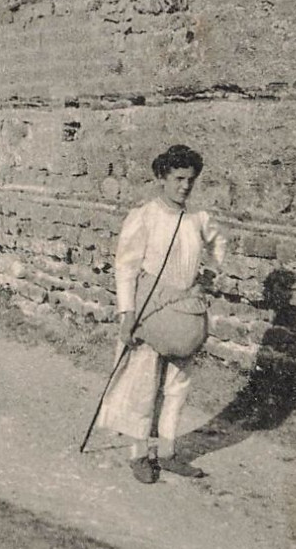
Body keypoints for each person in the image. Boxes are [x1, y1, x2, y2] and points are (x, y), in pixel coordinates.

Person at [97, 144, 227, 484]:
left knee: (178, 386)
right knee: (142, 382)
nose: (185, 186)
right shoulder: (144, 216)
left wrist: (210, 274)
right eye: (179, 178)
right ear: (162, 178)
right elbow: (125, 267)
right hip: (150, 311)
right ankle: (139, 454)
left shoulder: (198, 219)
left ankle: (168, 453)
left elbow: (218, 245)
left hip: (186, 309)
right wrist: (127, 314)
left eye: (191, 180)